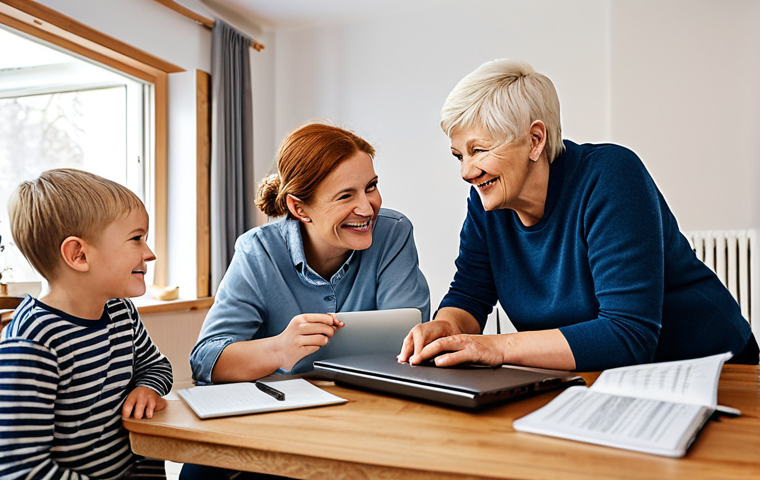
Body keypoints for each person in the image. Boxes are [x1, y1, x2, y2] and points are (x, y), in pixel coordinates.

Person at [398, 58, 758, 372]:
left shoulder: (611, 175)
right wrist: (446, 327)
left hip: (712, 369)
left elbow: (628, 334)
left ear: (535, 140)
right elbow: (468, 294)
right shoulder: (487, 201)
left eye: (479, 150)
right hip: (601, 376)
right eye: (459, 155)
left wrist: (494, 348)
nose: (466, 172)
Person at [182, 122, 430, 480]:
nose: (367, 207)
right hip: (273, 422)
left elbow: (411, 340)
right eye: (346, 196)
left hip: (369, 419)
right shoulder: (258, 251)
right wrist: (279, 350)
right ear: (300, 208)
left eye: (371, 187)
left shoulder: (393, 233)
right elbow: (207, 359)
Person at [0, 169, 173, 479]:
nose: (150, 254)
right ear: (78, 254)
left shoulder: (121, 312)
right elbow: (22, 470)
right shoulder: (31, 344)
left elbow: (156, 367)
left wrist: (147, 387)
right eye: (136, 239)